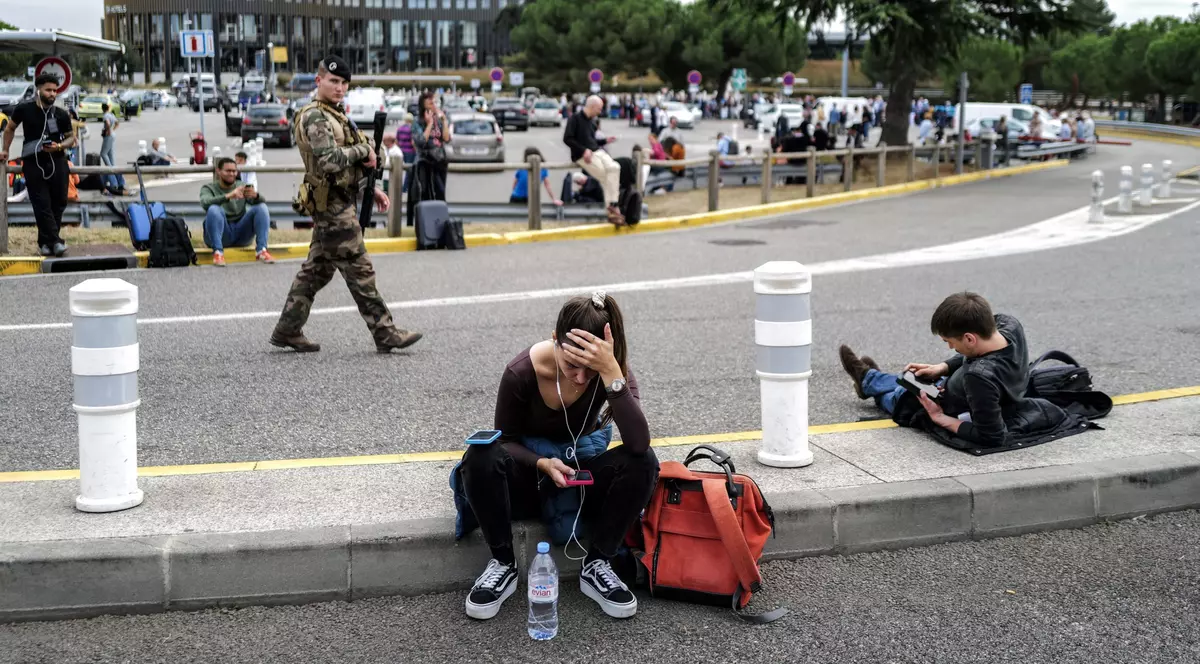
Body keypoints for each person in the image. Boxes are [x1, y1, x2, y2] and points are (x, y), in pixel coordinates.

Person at [454, 292, 657, 620]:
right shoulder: (521, 372)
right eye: (571, 366)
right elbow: (504, 441)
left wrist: (611, 375)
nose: (580, 378)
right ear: (554, 340)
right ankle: (503, 564)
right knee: (481, 454)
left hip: (579, 482)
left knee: (643, 461)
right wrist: (541, 463)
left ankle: (597, 564)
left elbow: (638, 443)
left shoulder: (610, 370)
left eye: (589, 370)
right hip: (530, 483)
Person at [272, 55, 422, 355]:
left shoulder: (335, 114)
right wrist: (363, 149)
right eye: (333, 82)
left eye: (343, 83)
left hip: (339, 200)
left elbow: (350, 164)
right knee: (359, 268)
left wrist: (371, 188)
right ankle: (385, 332)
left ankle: (288, 329)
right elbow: (329, 161)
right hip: (332, 208)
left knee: (317, 270)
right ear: (319, 81)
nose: (339, 88)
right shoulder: (315, 117)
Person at [838, 292, 1069, 450]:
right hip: (949, 385)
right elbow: (976, 353)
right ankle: (871, 379)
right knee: (911, 379)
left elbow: (992, 436)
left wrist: (940, 418)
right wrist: (944, 367)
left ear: (969, 338)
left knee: (898, 397)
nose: (949, 346)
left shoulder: (979, 378)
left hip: (934, 404)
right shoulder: (1008, 325)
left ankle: (867, 379)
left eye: (950, 341)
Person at [0, 73, 76, 257]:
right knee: (42, 203)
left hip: (57, 160)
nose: (52, 94)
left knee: (60, 201)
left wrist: (58, 146)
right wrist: (5, 150)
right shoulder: (24, 109)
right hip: (33, 162)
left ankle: (45, 242)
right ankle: (56, 242)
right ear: (38, 90)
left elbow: (71, 138)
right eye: (48, 90)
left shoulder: (61, 114)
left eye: (55, 91)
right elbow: (10, 128)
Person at [199, 157, 274, 266]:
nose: (232, 174)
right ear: (218, 171)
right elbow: (205, 203)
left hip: (241, 234)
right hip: (220, 234)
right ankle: (218, 253)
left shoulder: (241, 186)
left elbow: (261, 202)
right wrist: (229, 196)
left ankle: (261, 250)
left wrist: (256, 196)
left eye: (234, 171)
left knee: (261, 207)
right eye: (228, 171)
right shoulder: (208, 188)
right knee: (214, 209)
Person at [564, 95, 624, 225]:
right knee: (604, 176)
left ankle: (612, 204)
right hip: (582, 155)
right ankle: (612, 210)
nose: (600, 112)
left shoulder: (592, 122)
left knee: (615, 168)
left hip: (597, 151)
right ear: (592, 106)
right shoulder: (574, 119)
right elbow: (567, 139)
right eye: (599, 109)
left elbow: (592, 141)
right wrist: (583, 150)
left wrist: (605, 140)